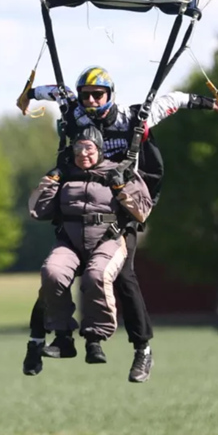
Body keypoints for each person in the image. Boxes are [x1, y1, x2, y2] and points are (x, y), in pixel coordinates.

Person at [21, 65, 218, 382]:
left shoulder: (134, 117)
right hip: (77, 207)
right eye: (87, 96)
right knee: (55, 274)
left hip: (120, 213)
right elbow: (53, 91)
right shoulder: (74, 109)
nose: (91, 101)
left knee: (123, 278)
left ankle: (142, 350)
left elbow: (175, 100)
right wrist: (28, 95)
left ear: (110, 95)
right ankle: (39, 340)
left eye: (98, 95)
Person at [28, 126, 153, 366]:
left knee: (96, 275)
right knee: (52, 273)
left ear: (100, 151)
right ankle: (63, 337)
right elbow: (37, 211)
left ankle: (95, 338)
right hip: (70, 241)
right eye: (78, 148)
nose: (83, 153)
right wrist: (51, 180)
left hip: (108, 239)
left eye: (89, 148)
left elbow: (142, 211)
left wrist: (120, 187)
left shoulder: (120, 172)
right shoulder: (64, 173)